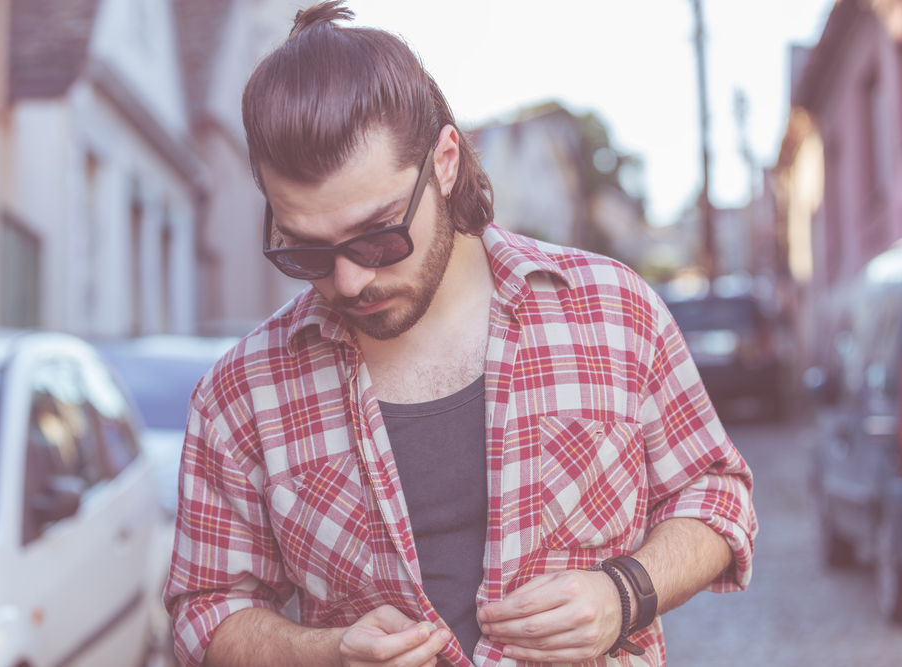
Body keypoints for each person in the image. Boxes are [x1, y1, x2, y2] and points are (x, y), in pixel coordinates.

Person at [164, 3, 758, 666]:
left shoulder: (614, 309)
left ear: (444, 162)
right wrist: (328, 652)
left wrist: (626, 592)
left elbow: (717, 492)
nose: (351, 279)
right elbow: (204, 612)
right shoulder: (240, 392)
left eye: (379, 234)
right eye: (305, 251)